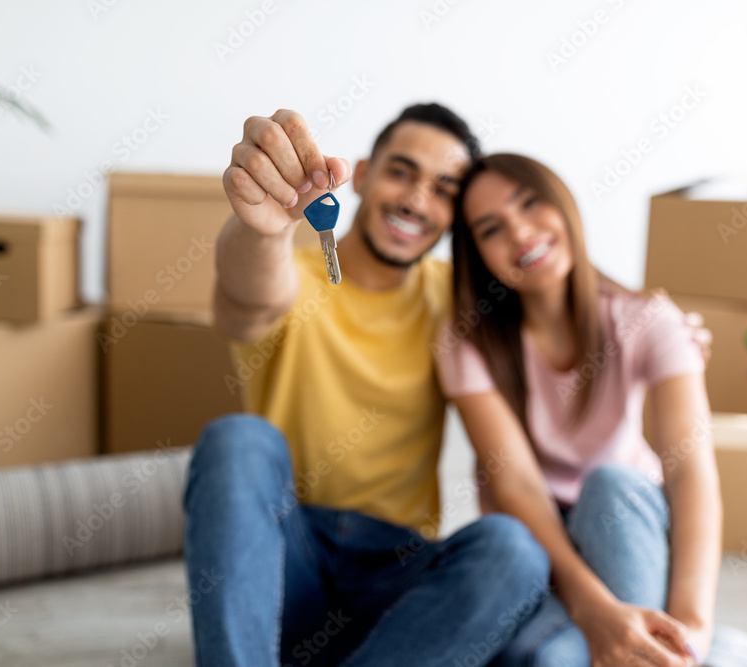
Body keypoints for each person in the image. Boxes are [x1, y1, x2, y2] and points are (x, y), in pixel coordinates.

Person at [183, 105, 553, 667]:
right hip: (285, 568)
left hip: (397, 583)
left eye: (443, 189)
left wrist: (657, 326)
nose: (415, 199)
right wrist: (262, 232)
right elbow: (246, 303)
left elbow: (559, 315)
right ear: (362, 172)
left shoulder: (457, 301)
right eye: (402, 172)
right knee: (236, 441)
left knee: (512, 550)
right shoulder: (297, 273)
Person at [434, 153, 722, 667]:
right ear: (476, 254)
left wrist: (692, 625)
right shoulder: (467, 344)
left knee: (608, 486)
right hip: (544, 545)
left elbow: (690, 469)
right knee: (547, 659)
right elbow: (517, 487)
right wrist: (596, 611)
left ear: (562, 203)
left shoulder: (650, 320)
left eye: (529, 202)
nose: (521, 233)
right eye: (491, 228)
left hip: (626, 521)